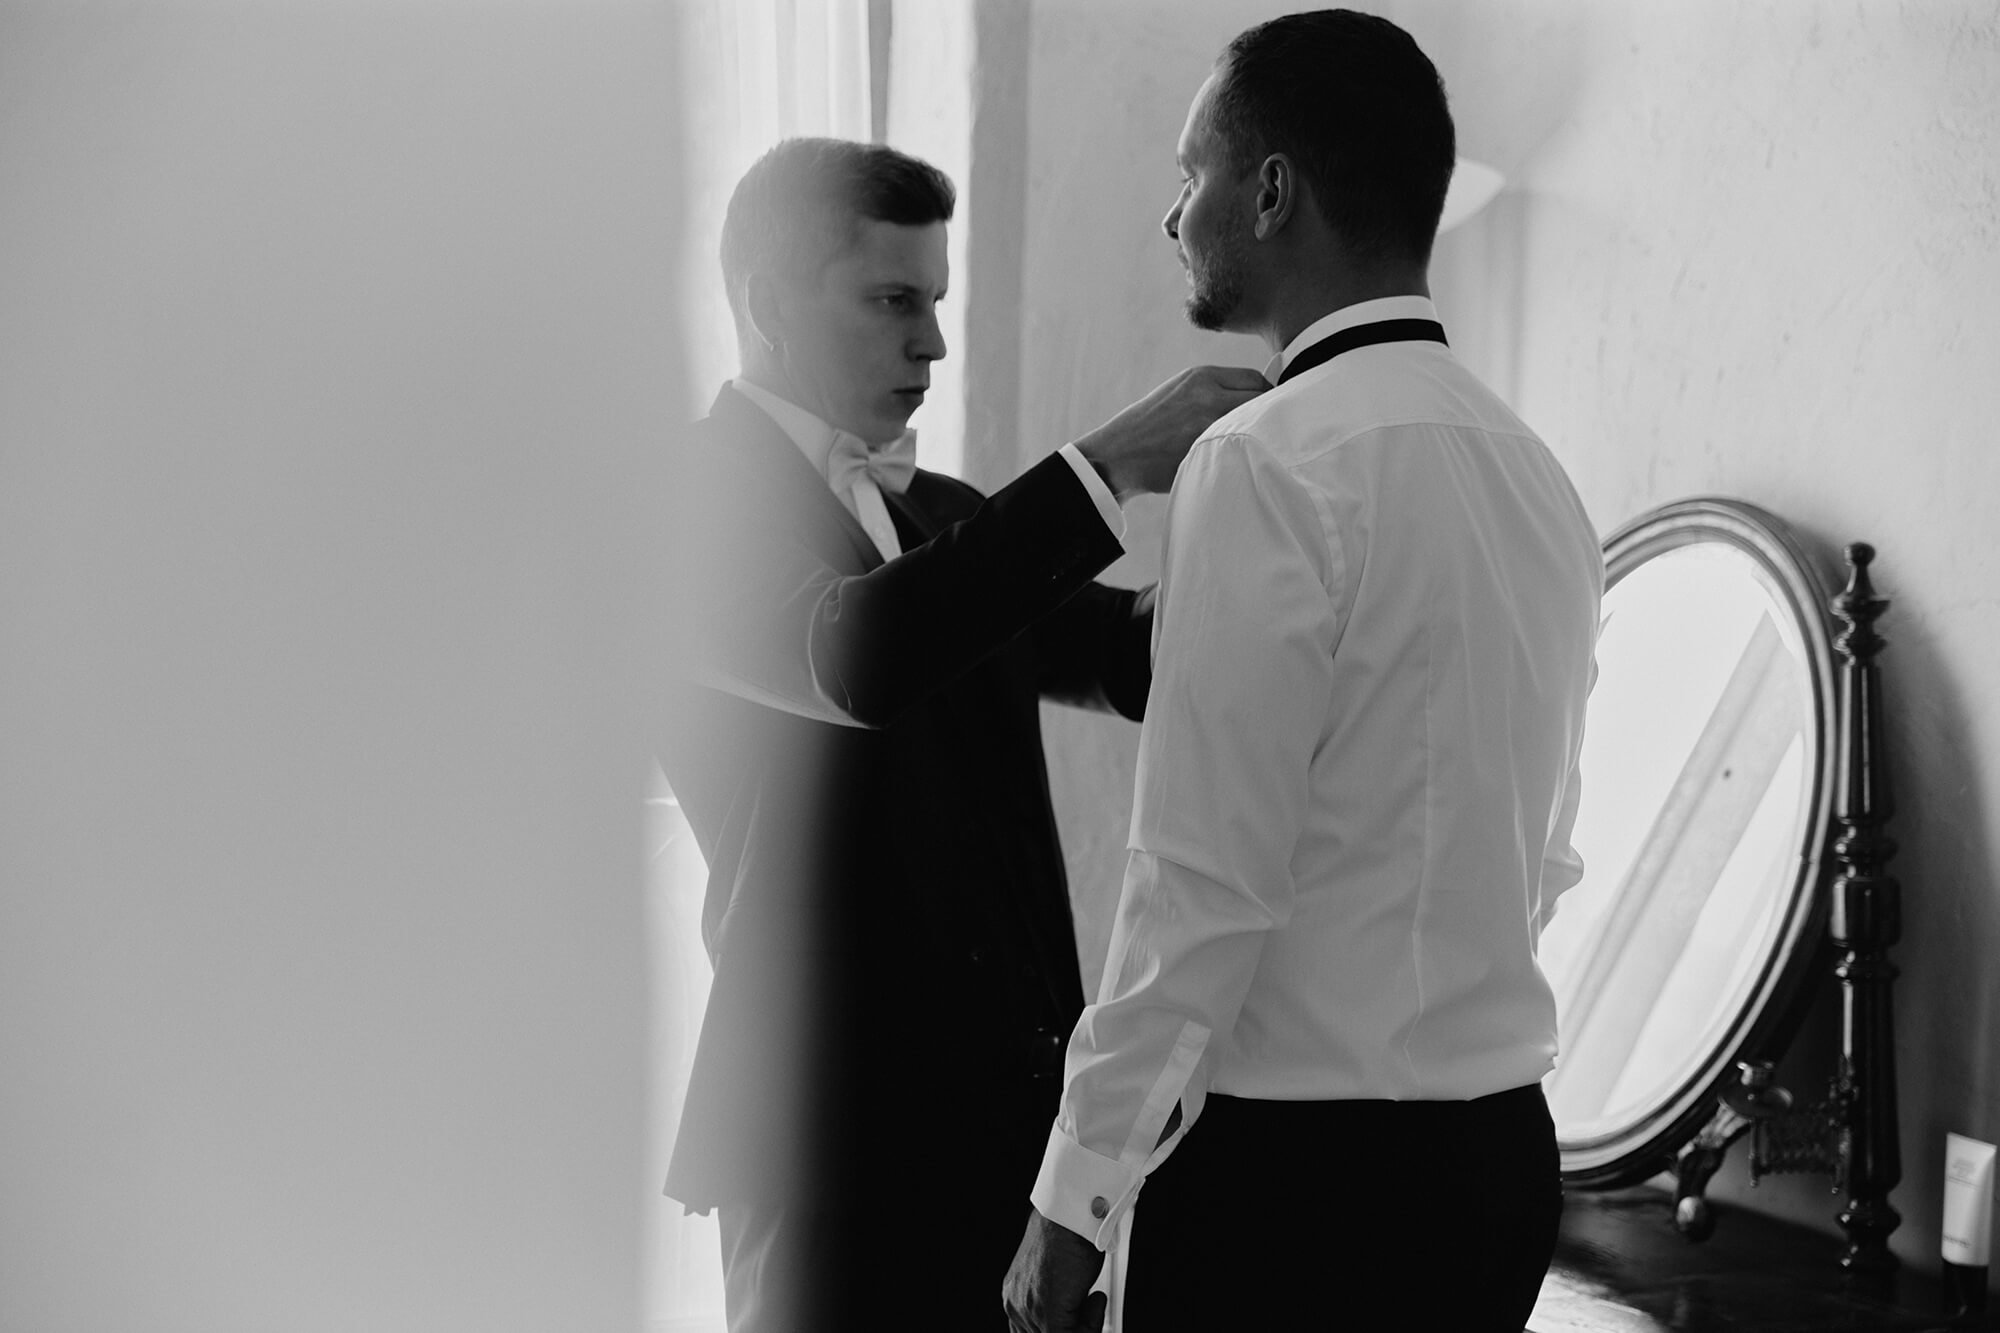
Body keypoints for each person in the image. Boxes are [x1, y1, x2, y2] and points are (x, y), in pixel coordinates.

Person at [1001, 12, 1603, 1332]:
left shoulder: (1265, 460)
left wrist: (1075, 1191)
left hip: (1301, 1187)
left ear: (1270, 190)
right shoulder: (1539, 474)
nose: (1173, 218)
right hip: (1500, 1163)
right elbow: (1543, 846)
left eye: (1188, 174)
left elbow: (1200, 875)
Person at [660, 137, 1265, 1333]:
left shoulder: (942, 517)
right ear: (767, 302)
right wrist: (1102, 468)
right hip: (822, 1134)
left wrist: (1269, 507)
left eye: (935, 302)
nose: (931, 342)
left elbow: (1122, 658)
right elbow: (855, 655)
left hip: (1014, 1131)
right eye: (892, 301)